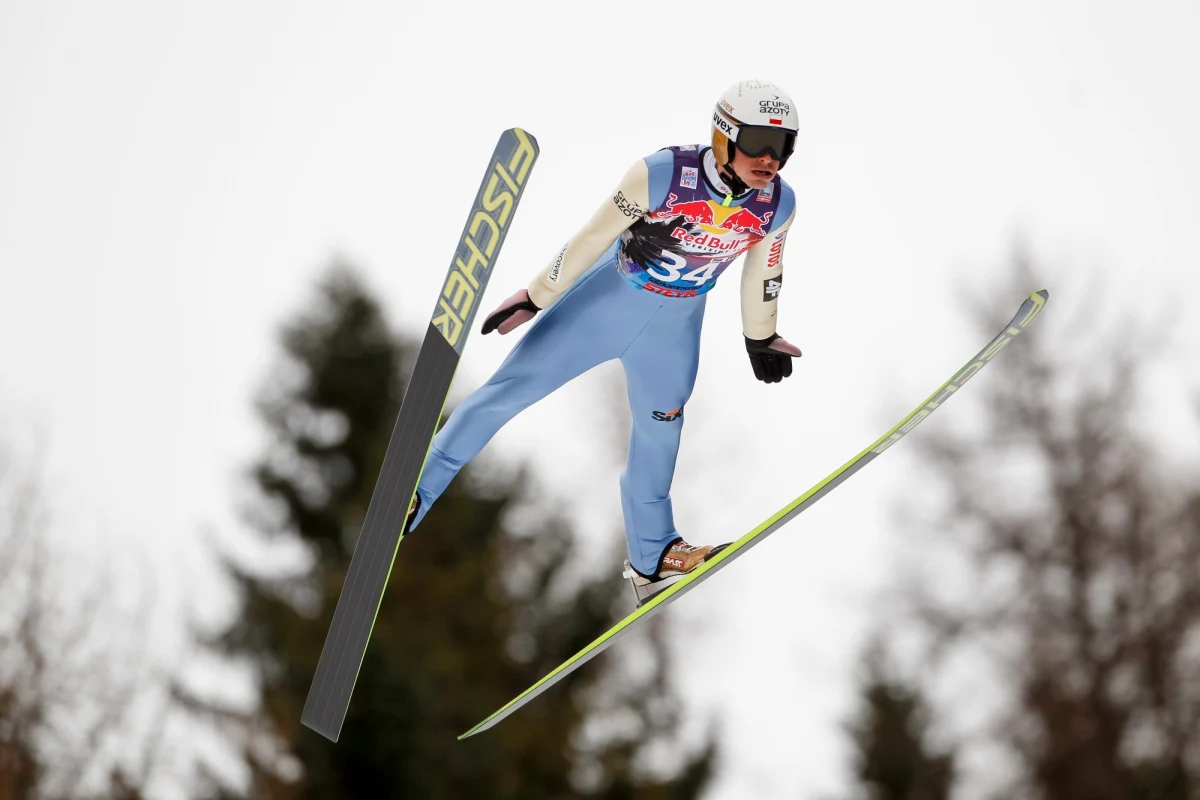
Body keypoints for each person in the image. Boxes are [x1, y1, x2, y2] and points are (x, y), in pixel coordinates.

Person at [407, 79, 803, 594]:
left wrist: (760, 337)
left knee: (661, 433)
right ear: (725, 136)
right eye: (758, 143)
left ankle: (653, 555)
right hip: (605, 304)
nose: (771, 159)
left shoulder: (778, 203)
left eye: (784, 147)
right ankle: (416, 490)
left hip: (675, 330)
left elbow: (764, 272)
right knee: (511, 391)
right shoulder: (664, 173)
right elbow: (594, 235)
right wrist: (536, 295)